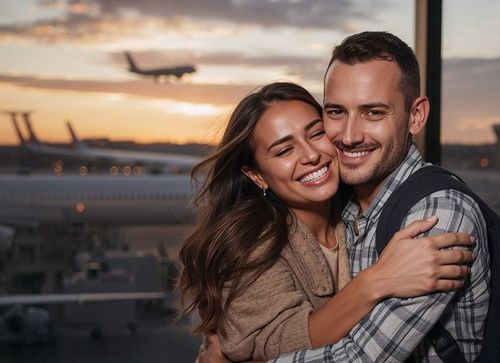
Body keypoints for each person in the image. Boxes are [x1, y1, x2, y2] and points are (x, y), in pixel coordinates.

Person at [177, 82, 475, 362]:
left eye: (316, 133)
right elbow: (282, 340)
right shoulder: (248, 243)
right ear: (256, 175)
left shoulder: (360, 207)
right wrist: (376, 281)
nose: (310, 155)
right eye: (284, 150)